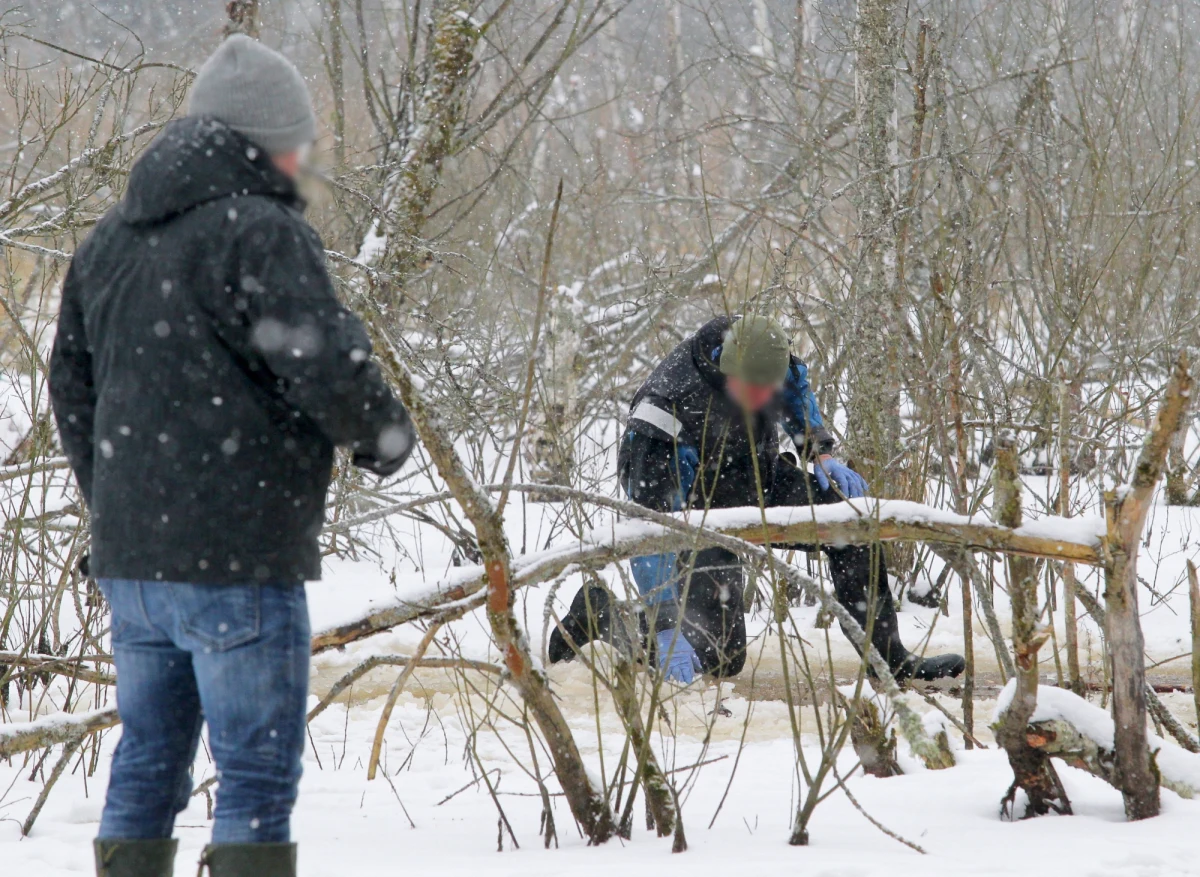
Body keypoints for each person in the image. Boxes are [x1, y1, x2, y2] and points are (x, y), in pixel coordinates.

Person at [48, 35, 414, 877]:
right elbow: (321, 358)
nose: (301, 158)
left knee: (147, 758)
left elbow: (70, 386)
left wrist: (115, 503)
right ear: (263, 141)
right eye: (295, 142)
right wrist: (381, 434)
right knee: (254, 775)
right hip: (236, 555)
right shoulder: (260, 231)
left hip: (135, 564)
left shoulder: (109, 240)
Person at [548, 314, 964, 685]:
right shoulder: (665, 413)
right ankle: (599, 613)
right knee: (719, 658)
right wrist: (665, 623)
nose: (767, 401)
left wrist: (819, 449)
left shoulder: (765, 350)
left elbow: (795, 385)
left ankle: (889, 659)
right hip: (693, 512)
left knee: (849, 524)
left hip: (755, 477)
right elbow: (651, 525)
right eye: (754, 391)